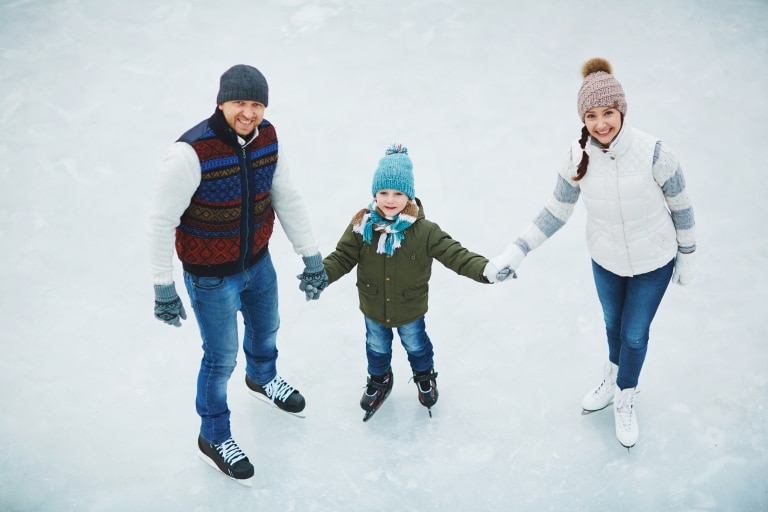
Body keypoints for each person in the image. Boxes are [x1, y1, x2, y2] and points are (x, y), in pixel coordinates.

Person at [485, 58, 696, 449]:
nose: (601, 124)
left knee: (634, 335)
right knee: (613, 325)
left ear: (622, 111)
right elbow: (556, 210)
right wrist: (517, 250)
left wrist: (688, 252)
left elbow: (681, 204)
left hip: (654, 261)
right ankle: (614, 375)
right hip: (607, 259)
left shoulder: (655, 153)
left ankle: (625, 395)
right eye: (592, 115)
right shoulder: (576, 156)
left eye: (609, 113)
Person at [148, 64, 329, 481]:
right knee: (220, 359)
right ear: (221, 102)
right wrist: (164, 287)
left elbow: (286, 194)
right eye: (239, 103)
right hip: (210, 275)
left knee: (267, 330)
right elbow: (161, 221)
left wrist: (310, 255)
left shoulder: (267, 137)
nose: (248, 113)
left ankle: (262, 378)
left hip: (257, 262)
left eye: (256, 104)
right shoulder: (190, 152)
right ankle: (213, 436)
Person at [320, 143, 505, 421]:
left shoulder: (425, 231)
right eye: (383, 192)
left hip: (409, 307)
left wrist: (485, 270)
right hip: (373, 305)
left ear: (410, 196)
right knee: (377, 347)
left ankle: (424, 375)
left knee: (417, 345)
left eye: (398, 193)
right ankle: (379, 379)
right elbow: (342, 257)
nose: (390, 200)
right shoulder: (362, 225)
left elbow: (456, 254)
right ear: (375, 194)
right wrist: (321, 275)